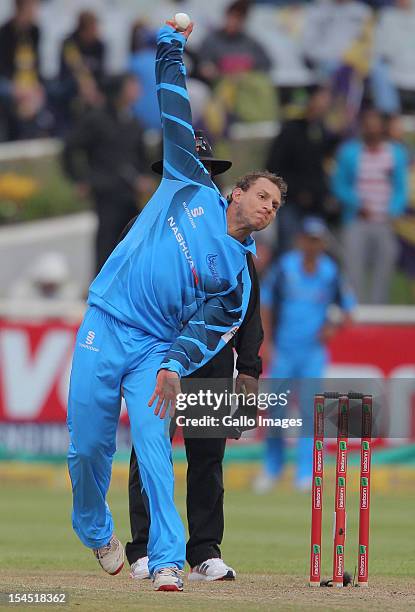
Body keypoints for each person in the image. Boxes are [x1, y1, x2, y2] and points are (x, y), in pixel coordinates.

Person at [66, 18, 285, 593]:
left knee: (158, 451)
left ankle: (167, 560)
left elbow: (212, 331)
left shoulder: (239, 275)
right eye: (262, 195)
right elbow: (173, 106)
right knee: (87, 447)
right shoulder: (186, 181)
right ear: (236, 191)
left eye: (276, 205)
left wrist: (172, 365)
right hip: (106, 319)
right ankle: (95, 528)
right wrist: (170, 44)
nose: (267, 208)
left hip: (155, 349)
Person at [123, 130, 263, 583]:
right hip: (156, 357)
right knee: (150, 452)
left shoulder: (228, 228)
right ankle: (144, 549)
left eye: (202, 167)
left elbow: (249, 301)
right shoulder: (145, 224)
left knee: (208, 458)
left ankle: (204, 550)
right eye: (186, 166)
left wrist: (250, 366)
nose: (196, 174)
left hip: (213, 356)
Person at [255, 217, 356, 493]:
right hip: (285, 351)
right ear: (300, 241)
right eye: (308, 239)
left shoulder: (330, 272)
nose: (312, 245)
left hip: (312, 353)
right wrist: (268, 342)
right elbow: (266, 304)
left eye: (317, 240)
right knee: (276, 412)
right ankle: (272, 468)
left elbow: (348, 311)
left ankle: (305, 471)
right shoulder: (285, 268)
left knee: (311, 413)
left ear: (322, 243)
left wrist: (330, 329)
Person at [62, 72, 150, 274]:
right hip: (106, 190)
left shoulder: (134, 120)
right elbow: (70, 148)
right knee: (106, 241)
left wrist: (144, 176)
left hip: (130, 192)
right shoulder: (96, 119)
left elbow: (141, 155)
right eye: (131, 85)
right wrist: (80, 179)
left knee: (132, 241)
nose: (136, 90)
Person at [332, 108, 408, 303]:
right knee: (353, 268)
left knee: (383, 270)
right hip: (357, 220)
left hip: (385, 222)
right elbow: (339, 184)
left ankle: (378, 312)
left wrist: (393, 210)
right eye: (367, 125)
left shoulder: (396, 154)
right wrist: (356, 203)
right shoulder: (349, 152)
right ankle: (355, 311)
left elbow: (400, 188)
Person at [266, 87, 338, 254]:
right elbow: (274, 167)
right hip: (291, 203)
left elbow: (325, 165)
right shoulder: (291, 130)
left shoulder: (323, 133)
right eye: (322, 99)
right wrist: (297, 191)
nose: (325, 104)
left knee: (316, 254)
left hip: (316, 206)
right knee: (290, 251)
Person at [0, 0, 47, 141]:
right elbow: (3, 68)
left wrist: (36, 85)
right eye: (33, 7)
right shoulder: (5, 32)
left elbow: (37, 64)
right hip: (10, 82)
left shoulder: (35, 31)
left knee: (46, 93)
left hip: (30, 82)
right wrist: (18, 88)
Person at [58, 10, 106, 126]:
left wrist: (94, 89)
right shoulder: (69, 43)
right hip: (72, 85)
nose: (96, 32)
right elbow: (68, 71)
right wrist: (83, 86)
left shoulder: (99, 45)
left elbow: (101, 73)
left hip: (93, 87)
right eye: (93, 28)